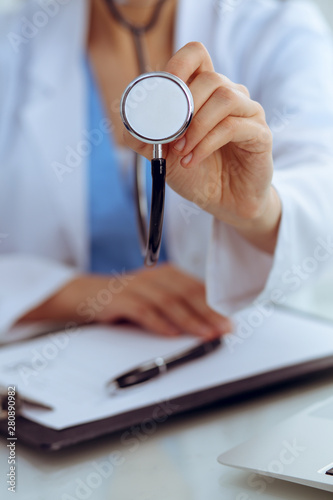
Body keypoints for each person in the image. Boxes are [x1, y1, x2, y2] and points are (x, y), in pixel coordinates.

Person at [0, 0, 332, 343]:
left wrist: (257, 210)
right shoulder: (12, 43)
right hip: (63, 365)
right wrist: (75, 294)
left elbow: (324, 197)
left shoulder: (274, 23)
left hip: (244, 354)